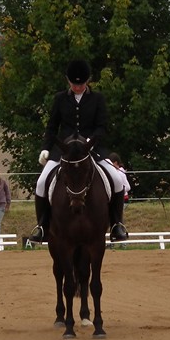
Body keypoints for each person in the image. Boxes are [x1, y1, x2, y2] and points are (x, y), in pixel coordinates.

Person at [27, 59, 129, 243]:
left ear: (87, 81)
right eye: (74, 84)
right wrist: (45, 148)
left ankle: (116, 224)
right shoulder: (60, 98)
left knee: (116, 179)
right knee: (41, 182)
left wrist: (90, 141)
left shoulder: (97, 98)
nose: (77, 87)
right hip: (65, 150)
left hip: (92, 148)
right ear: (68, 81)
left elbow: (102, 126)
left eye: (81, 84)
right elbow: (52, 127)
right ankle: (42, 226)